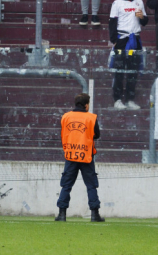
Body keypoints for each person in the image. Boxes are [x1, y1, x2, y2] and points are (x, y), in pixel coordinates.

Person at [55, 92, 104, 222]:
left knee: (66, 185)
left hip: (70, 155)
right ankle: (94, 215)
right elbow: (97, 135)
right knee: (91, 186)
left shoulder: (66, 117)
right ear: (86, 105)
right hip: (86, 156)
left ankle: (62, 214)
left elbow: (64, 133)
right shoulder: (91, 118)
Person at [109, 0, 147, 110]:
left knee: (133, 71)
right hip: (122, 39)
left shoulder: (139, 2)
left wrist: (142, 16)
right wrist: (114, 40)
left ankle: (130, 99)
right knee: (119, 71)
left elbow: (145, 22)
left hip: (135, 39)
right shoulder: (117, 3)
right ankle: (117, 99)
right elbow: (112, 23)